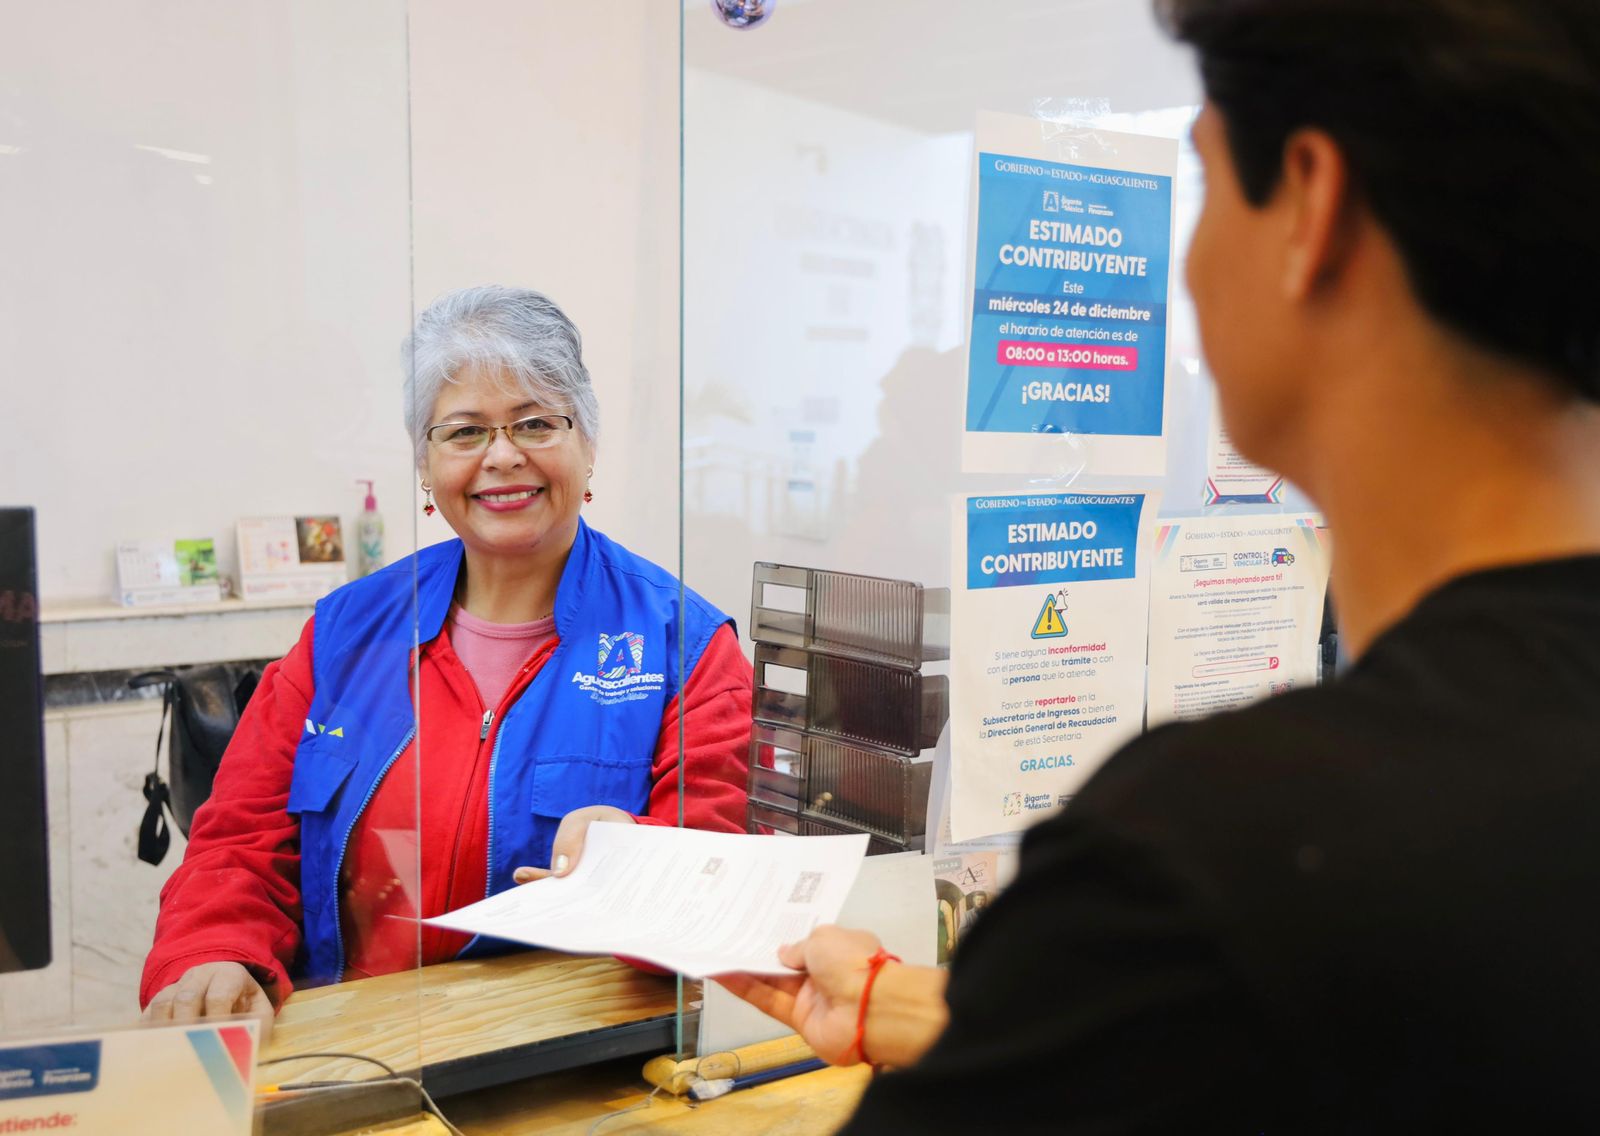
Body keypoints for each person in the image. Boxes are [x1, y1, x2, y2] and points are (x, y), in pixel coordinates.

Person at [719, 0, 1600, 1129]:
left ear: (1309, 209)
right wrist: (942, 1008)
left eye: (1202, 185)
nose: (1183, 272)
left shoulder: (1215, 854)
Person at [142, 286, 752, 1032]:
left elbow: (727, 882)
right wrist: (214, 951)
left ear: (587, 445)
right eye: (463, 433)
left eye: (535, 422)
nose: (502, 456)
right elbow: (240, 840)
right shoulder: (346, 632)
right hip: (353, 1047)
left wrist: (636, 863)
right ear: (426, 465)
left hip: (574, 1062)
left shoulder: (684, 645)